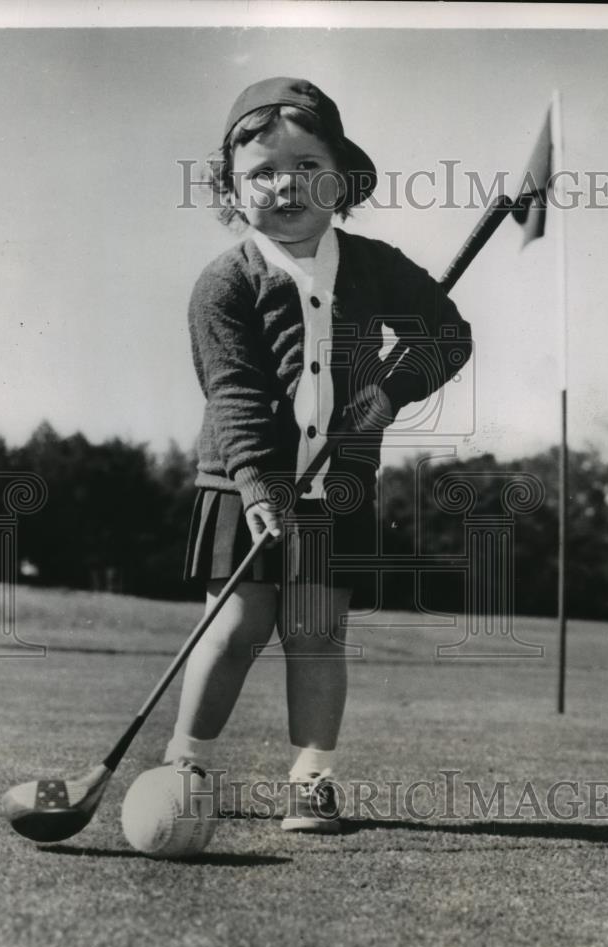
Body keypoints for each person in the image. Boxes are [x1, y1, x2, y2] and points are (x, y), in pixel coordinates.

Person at [163, 77, 472, 833]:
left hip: (338, 488)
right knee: (236, 628)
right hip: (242, 486)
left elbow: (449, 336)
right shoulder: (225, 282)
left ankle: (312, 778)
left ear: (343, 179)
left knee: (314, 633)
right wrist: (257, 484)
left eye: (306, 166)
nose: (284, 185)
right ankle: (187, 762)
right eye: (262, 173)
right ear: (233, 190)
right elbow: (231, 393)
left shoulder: (374, 265)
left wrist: (388, 395)